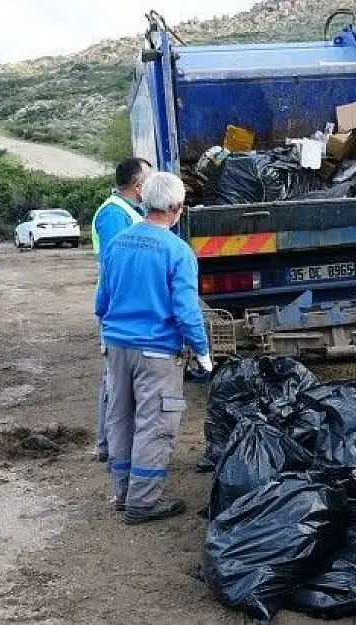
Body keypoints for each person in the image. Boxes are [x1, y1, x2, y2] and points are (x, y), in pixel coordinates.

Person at [95, 171, 213, 524]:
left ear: (145, 202)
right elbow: (186, 310)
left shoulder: (118, 244)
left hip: (116, 346)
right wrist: (202, 352)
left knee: (121, 417)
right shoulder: (177, 251)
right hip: (156, 351)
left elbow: (101, 301)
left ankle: (123, 492)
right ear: (178, 208)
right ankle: (143, 501)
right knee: (155, 422)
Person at [91, 157, 152, 462]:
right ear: (138, 185)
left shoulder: (128, 212)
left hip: (124, 308)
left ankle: (108, 445)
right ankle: (107, 446)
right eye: (149, 180)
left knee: (116, 381)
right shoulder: (114, 215)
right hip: (120, 309)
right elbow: (116, 266)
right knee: (115, 384)